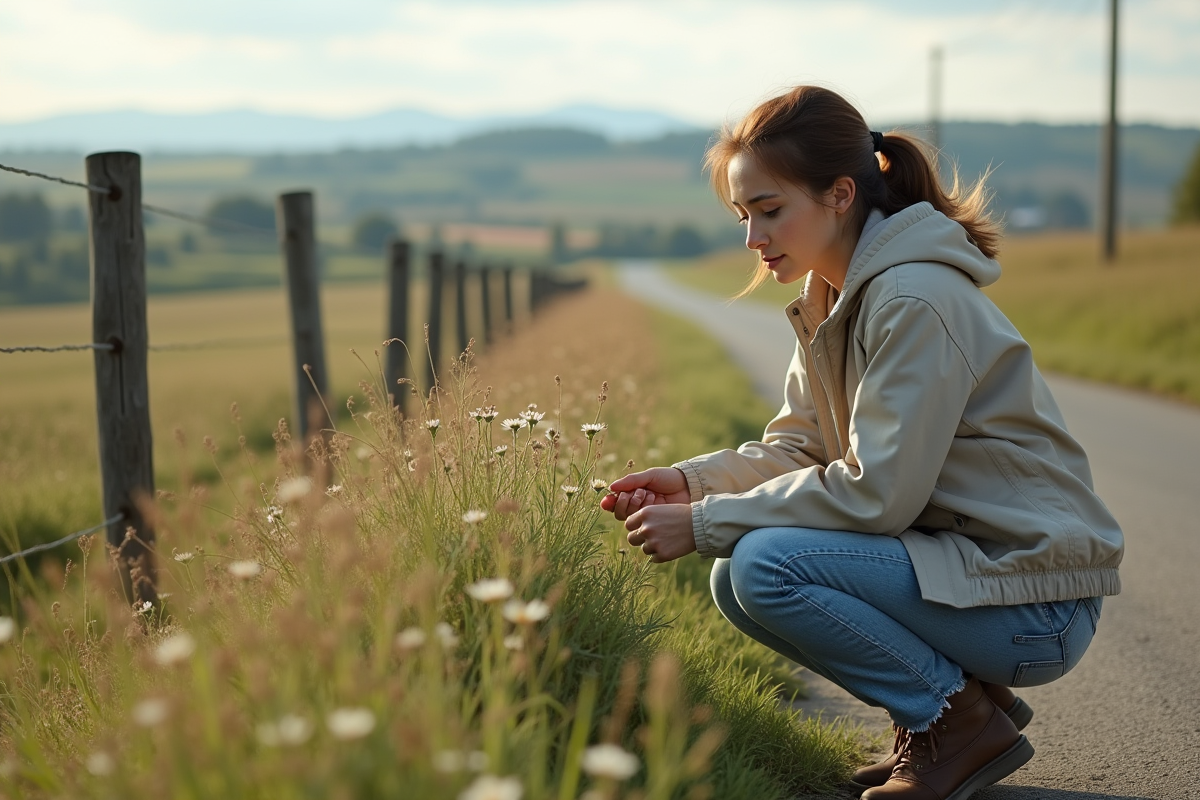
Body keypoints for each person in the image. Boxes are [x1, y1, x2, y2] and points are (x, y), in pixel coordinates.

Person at [599, 85, 1123, 800]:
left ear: (840, 193)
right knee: (735, 577)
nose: (753, 239)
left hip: (1035, 604)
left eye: (769, 210)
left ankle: (953, 719)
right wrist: (692, 484)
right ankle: (950, 710)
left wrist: (702, 524)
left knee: (763, 567)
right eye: (742, 216)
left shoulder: (912, 300)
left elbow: (876, 494)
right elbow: (800, 449)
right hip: (970, 573)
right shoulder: (835, 297)